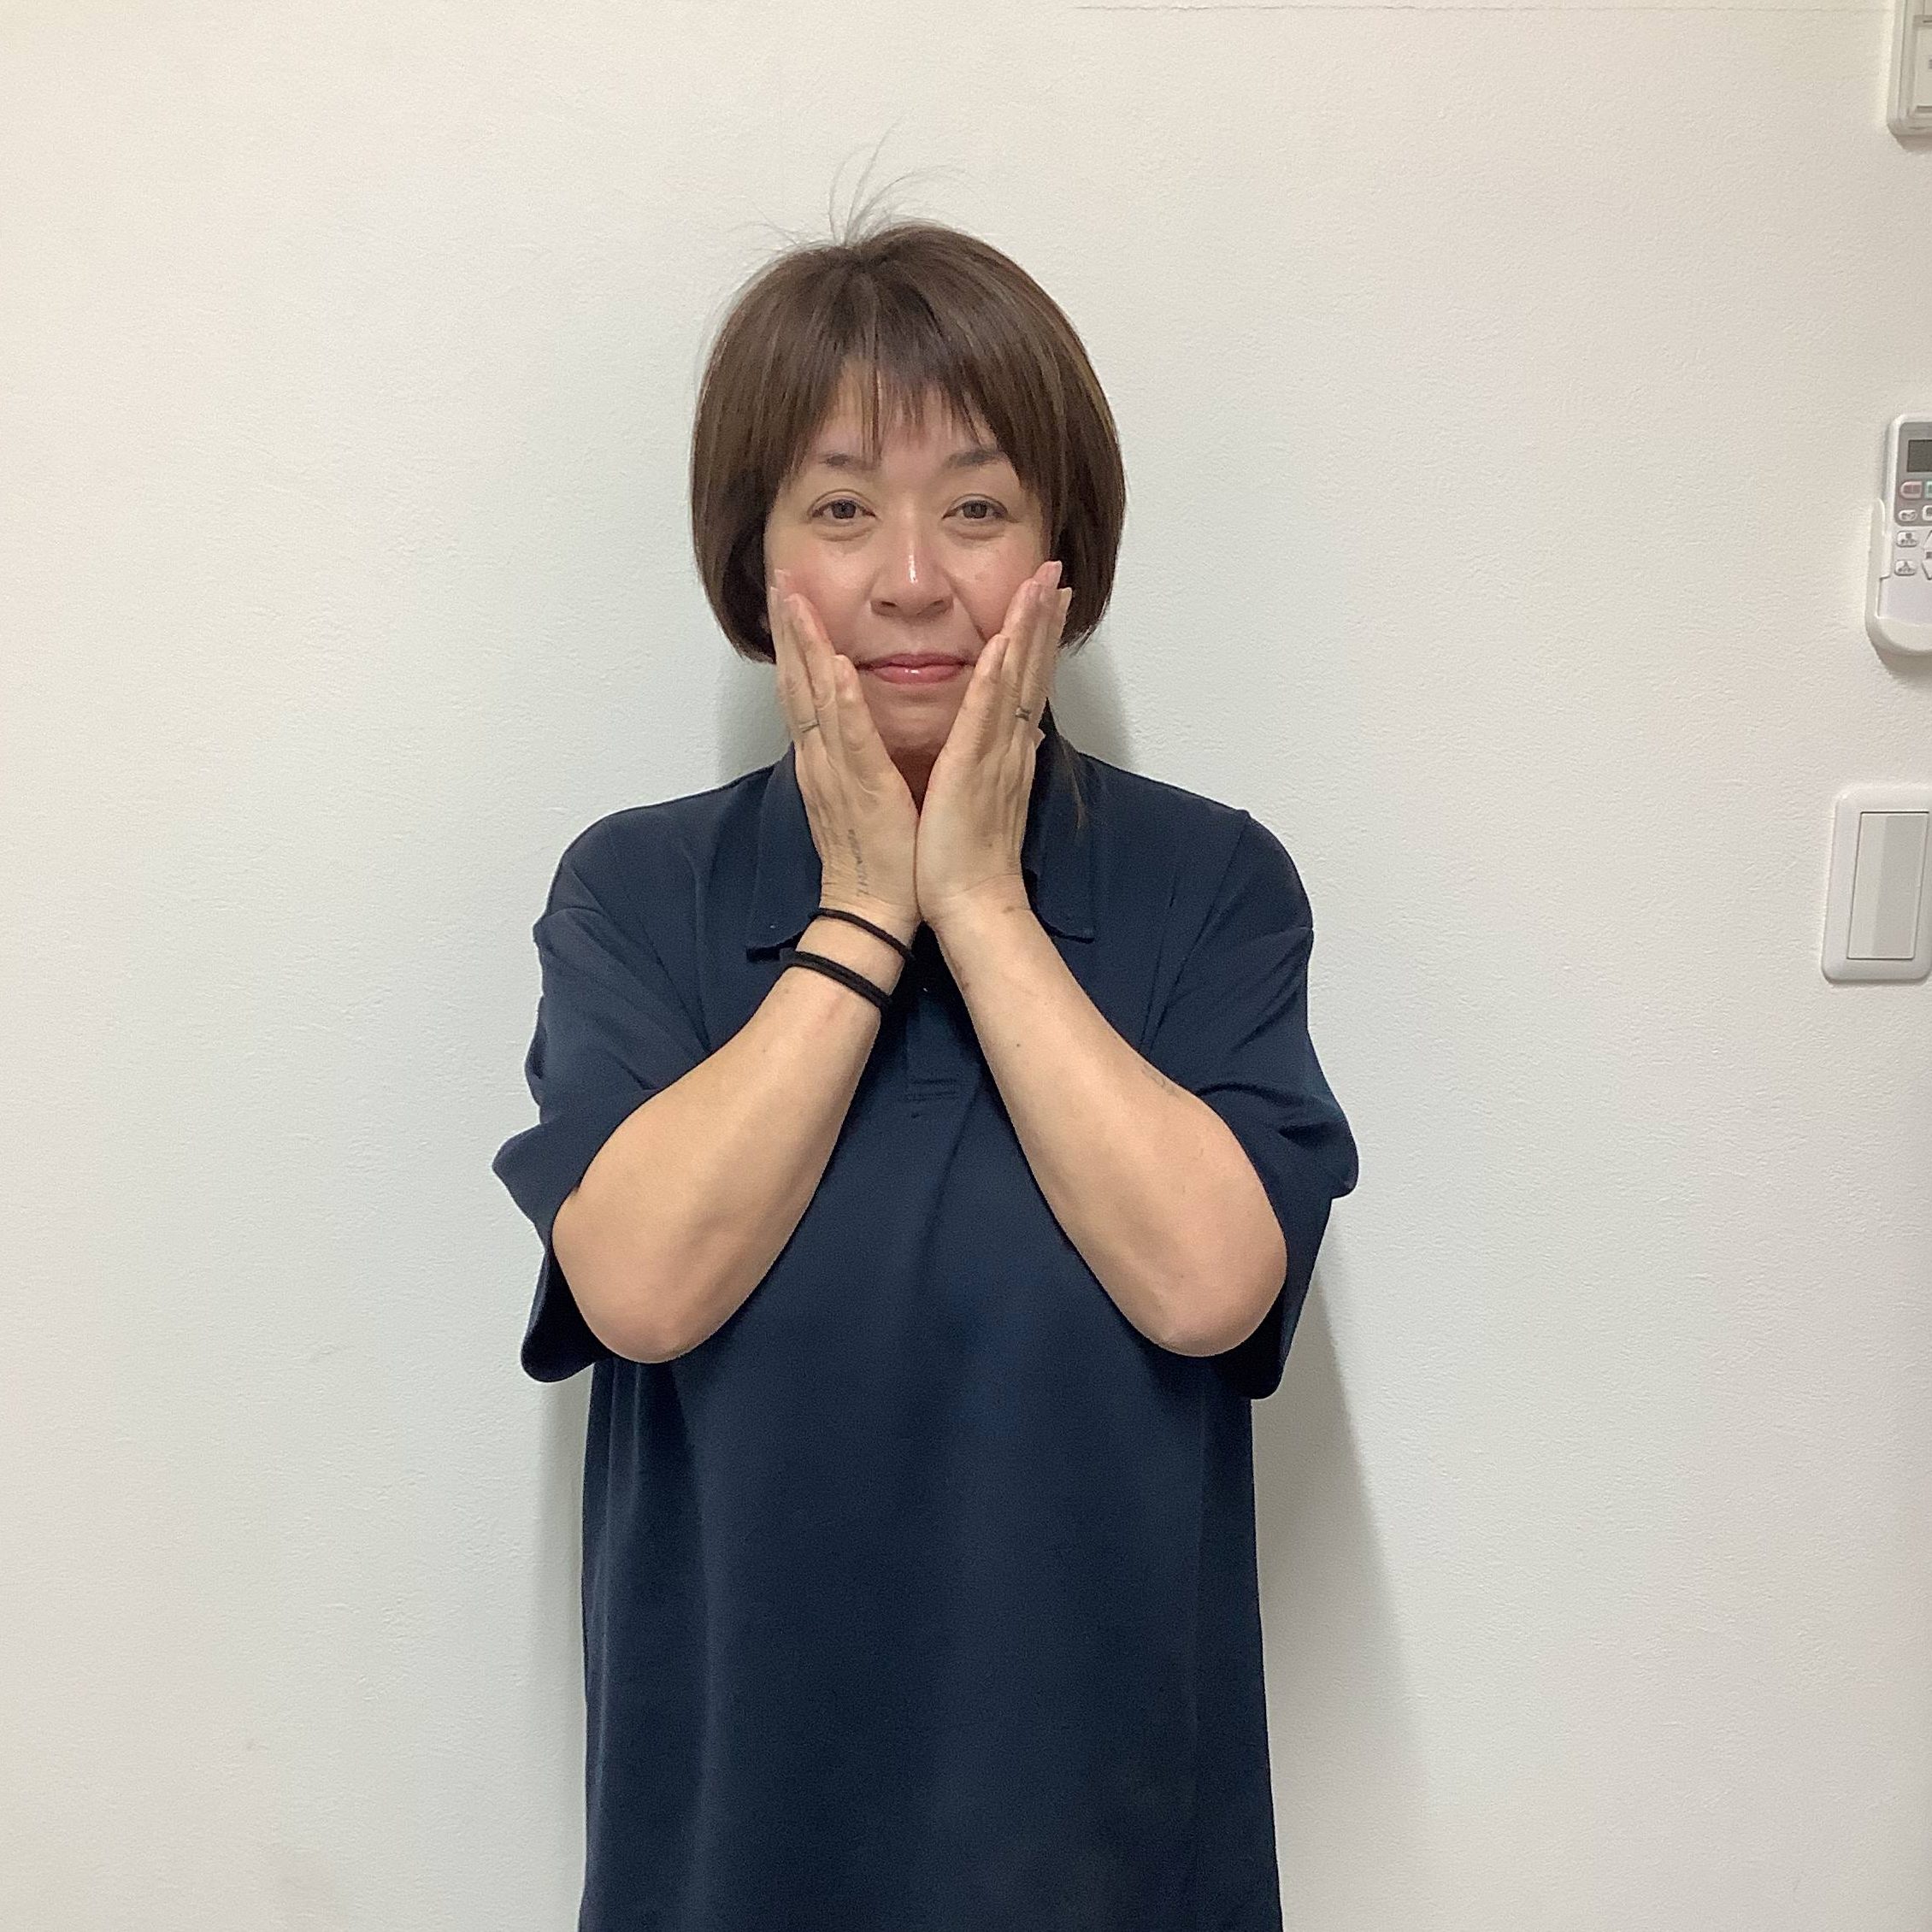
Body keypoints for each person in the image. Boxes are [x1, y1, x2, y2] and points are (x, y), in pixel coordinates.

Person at [491, 206, 1360, 1932]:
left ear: (1062, 554)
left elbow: (1210, 1286)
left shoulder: (1207, 885)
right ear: (753, 563)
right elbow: (640, 1289)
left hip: (1109, 1848)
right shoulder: (641, 891)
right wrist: (861, 915)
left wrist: (979, 902)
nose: (908, 580)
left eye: (975, 508)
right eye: (838, 509)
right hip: (732, 1841)